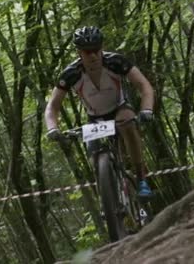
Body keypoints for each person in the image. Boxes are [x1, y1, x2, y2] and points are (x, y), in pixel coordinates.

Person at [44, 26, 155, 198]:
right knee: (94, 159)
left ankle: (141, 178)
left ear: (102, 47)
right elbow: (52, 106)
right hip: (95, 119)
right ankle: (109, 200)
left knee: (127, 122)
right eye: (88, 52)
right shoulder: (71, 73)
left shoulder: (116, 62)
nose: (93, 55)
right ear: (79, 53)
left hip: (120, 108)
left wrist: (146, 109)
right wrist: (52, 128)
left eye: (96, 50)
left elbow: (144, 85)